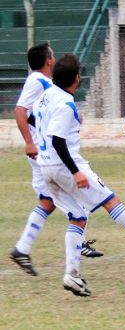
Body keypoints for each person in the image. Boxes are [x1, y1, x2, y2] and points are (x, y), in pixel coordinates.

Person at [33, 54, 125, 297]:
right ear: (77, 78)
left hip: (44, 166)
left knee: (78, 217)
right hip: (65, 165)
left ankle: (72, 275)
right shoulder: (65, 104)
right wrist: (75, 171)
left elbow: (38, 123)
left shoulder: (44, 97)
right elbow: (58, 141)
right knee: (110, 201)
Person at [9, 44, 101, 278]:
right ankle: (77, 242)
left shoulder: (46, 84)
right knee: (72, 196)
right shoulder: (37, 80)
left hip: (45, 149)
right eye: (53, 54)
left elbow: (33, 114)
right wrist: (29, 141)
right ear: (48, 60)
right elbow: (20, 110)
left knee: (48, 201)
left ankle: (22, 248)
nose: (55, 56)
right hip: (44, 151)